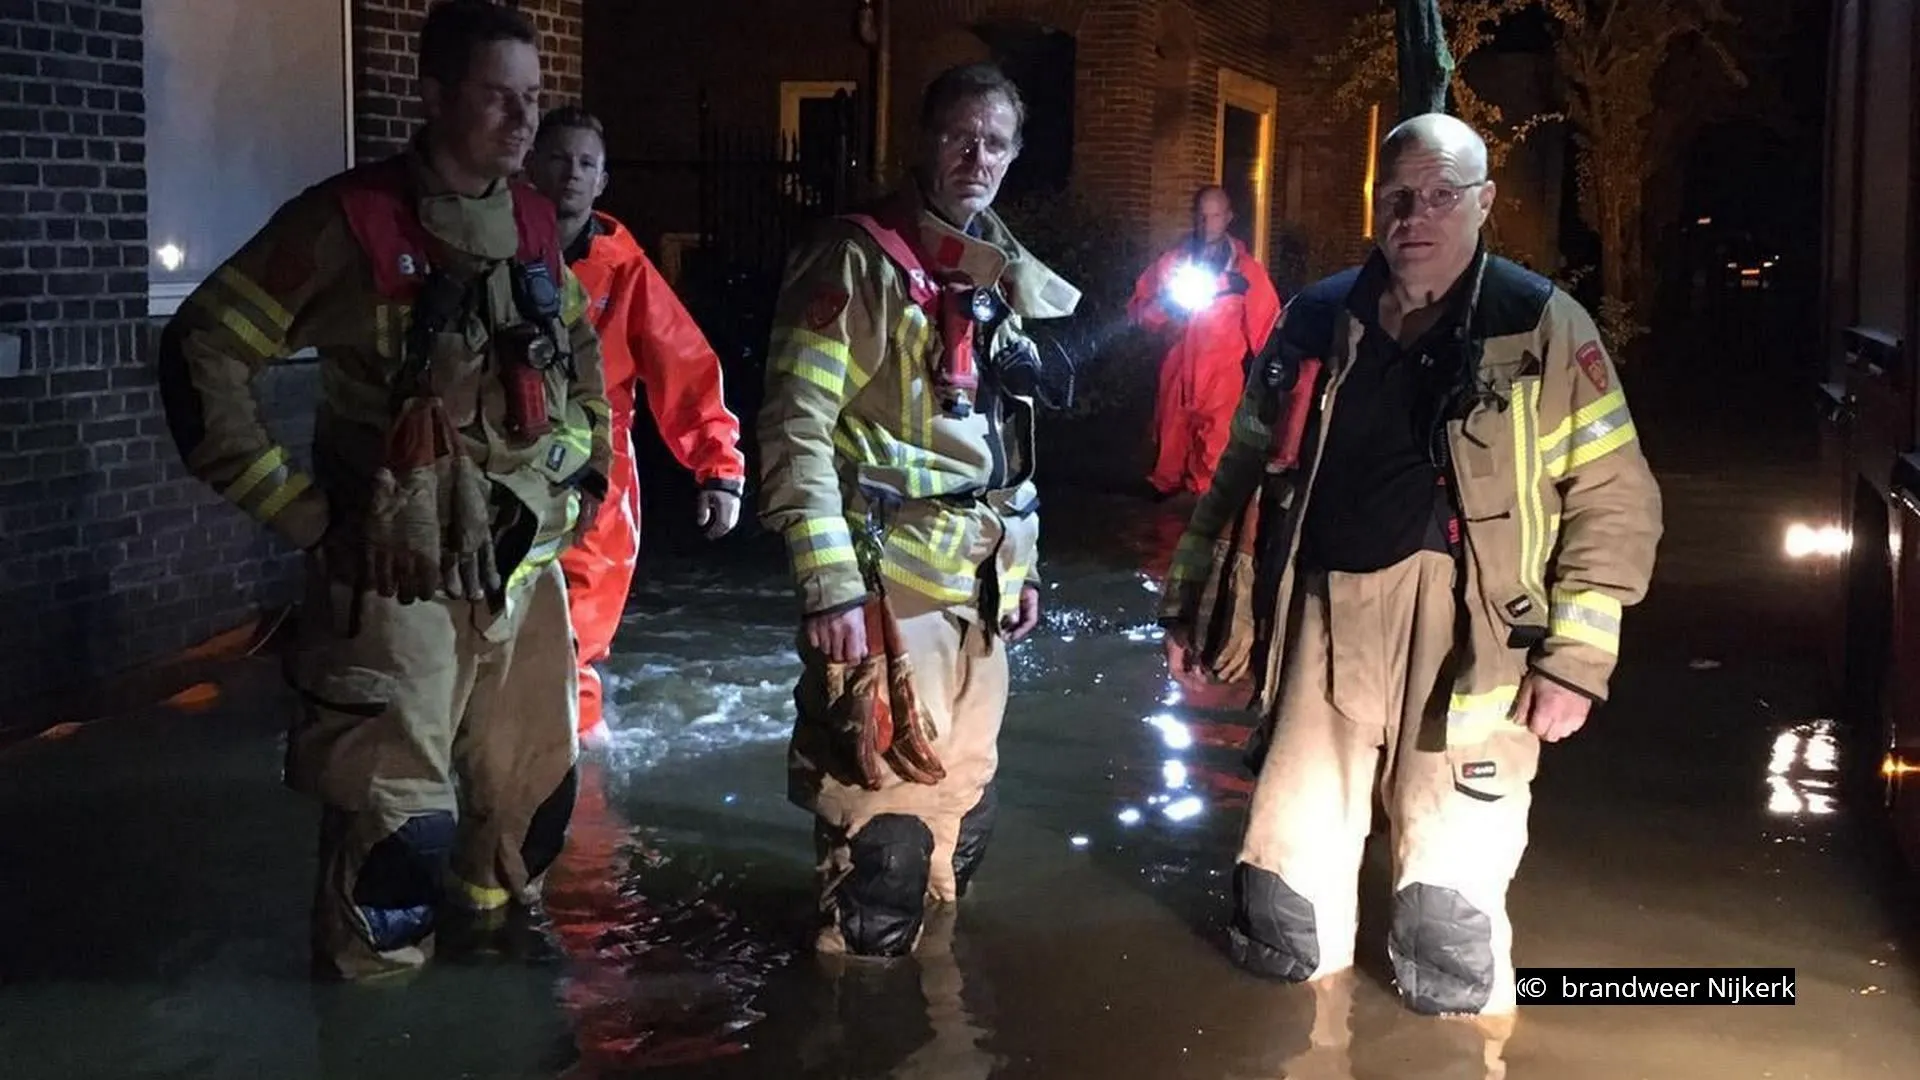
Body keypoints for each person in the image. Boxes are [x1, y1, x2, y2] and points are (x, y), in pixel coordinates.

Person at [1158, 113, 1662, 1015]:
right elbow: (1239, 465)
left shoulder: (1540, 323)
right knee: (1281, 911)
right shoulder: (1317, 316)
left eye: (1440, 196)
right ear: (1373, 204)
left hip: (1471, 644)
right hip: (1318, 621)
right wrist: (1190, 597)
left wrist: (1577, 661)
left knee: (1448, 928)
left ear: (1483, 204)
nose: (1415, 216)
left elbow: (1614, 495)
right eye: (1397, 197)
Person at [157, 0, 612, 979]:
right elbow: (203, 351)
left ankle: (493, 998)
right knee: (396, 843)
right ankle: (378, 1016)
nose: (523, 123)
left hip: (521, 575)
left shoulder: (535, 225)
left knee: (523, 811)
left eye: (533, 100)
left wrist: (578, 483)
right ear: (435, 94)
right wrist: (307, 517)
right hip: (393, 579)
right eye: (498, 98)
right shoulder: (345, 224)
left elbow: (583, 375)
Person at [757, 62, 1082, 958]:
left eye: (998, 142)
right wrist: (828, 586)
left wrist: (1021, 570)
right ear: (923, 143)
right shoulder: (855, 259)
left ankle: (934, 1024)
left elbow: (1006, 446)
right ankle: (854, 1024)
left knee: (958, 829)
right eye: (960, 137)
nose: (978, 156)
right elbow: (795, 425)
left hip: (979, 590)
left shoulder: (996, 272)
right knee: (882, 851)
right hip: (884, 584)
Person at [525, 106, 749, 747]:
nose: (571, 174)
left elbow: (685, 367)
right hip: (501, 454)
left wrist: (719, 468)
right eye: (559, 158)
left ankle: (579, 784)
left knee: (577, 635)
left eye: (586, 163)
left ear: (602, 181)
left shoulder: (625, 271)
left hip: (596, 472)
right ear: (532, 165)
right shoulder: (491, 249)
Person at [1129, 185, 1282, 498]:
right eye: (1201, 216)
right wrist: (1164, 307)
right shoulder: (1172, 264)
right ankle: (1160, 537)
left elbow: (1268, 331)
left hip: (1220, 382)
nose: (1206, 223)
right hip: (1177, 376)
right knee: (1165, 466)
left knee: (1212, 470)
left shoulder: (1246, 273)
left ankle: (1204, 532)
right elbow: (1138, 312)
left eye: (1214, 216)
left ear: (1228, 218)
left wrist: (1275, 377)